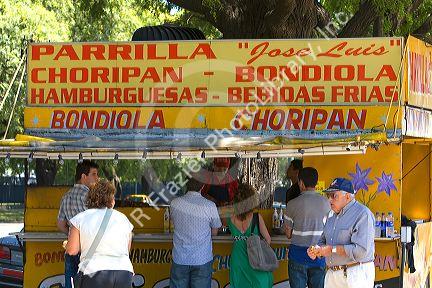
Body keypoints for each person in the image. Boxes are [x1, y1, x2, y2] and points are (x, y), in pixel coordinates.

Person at [307, 178, 375, 288]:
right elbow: (322, 241)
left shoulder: (363, 214)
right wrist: (316, 250)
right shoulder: (331, 215)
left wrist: (332, 249)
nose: (329, 200)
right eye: (328, 196)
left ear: (347, 196)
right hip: (332, 274)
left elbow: (361, 251)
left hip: (356, 273)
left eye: (334, 195)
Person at [66, 179, 134, 288]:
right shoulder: (123, 219)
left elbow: (71, 250)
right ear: (111, 200)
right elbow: (127, 249)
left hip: (94, 272)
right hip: (123, 272)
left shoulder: (80, 218)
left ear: (90, 198)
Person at [169, 172, 222, 288]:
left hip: (180, 258)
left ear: (186, 185)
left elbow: (173, 223)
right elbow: (215, 231)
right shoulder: (209, 205)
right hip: (201, 258)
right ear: (202, 186)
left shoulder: (174, 203)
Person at [284, 167, 330, 288]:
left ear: (301, 183)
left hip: (297, 256)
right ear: (315, 182)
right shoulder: (327, 203)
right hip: (319, 255)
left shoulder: (292, 204)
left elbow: (288, 234)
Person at [57, 160, 99, 288]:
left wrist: (72, 235)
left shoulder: (66, 196)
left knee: (71, 284)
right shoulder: (90, 196)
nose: (97, 178)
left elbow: (60, 224)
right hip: (88, 249)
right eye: (94, 174)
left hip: (71, 248)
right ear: (83, 177)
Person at [228, 183, 273, 288]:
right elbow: (268, 239)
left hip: (237, 260)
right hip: (255, 260)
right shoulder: (256, 217)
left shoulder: (231, 218)